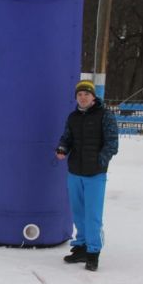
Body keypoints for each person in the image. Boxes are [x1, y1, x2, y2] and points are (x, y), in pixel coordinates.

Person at [56, 80, 118, 271]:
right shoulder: (73, 117)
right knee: (78, 212)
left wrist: (100, 161)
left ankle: (93, 252)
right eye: (79, 95)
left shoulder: (105, 115)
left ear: (93, 97)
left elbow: (112, 144)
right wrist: (62, 149)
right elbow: (67, 138)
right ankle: (81, 247)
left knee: (93, 215)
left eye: (86, 94)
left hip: (95, 174)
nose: (82, 98)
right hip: (74, 172)